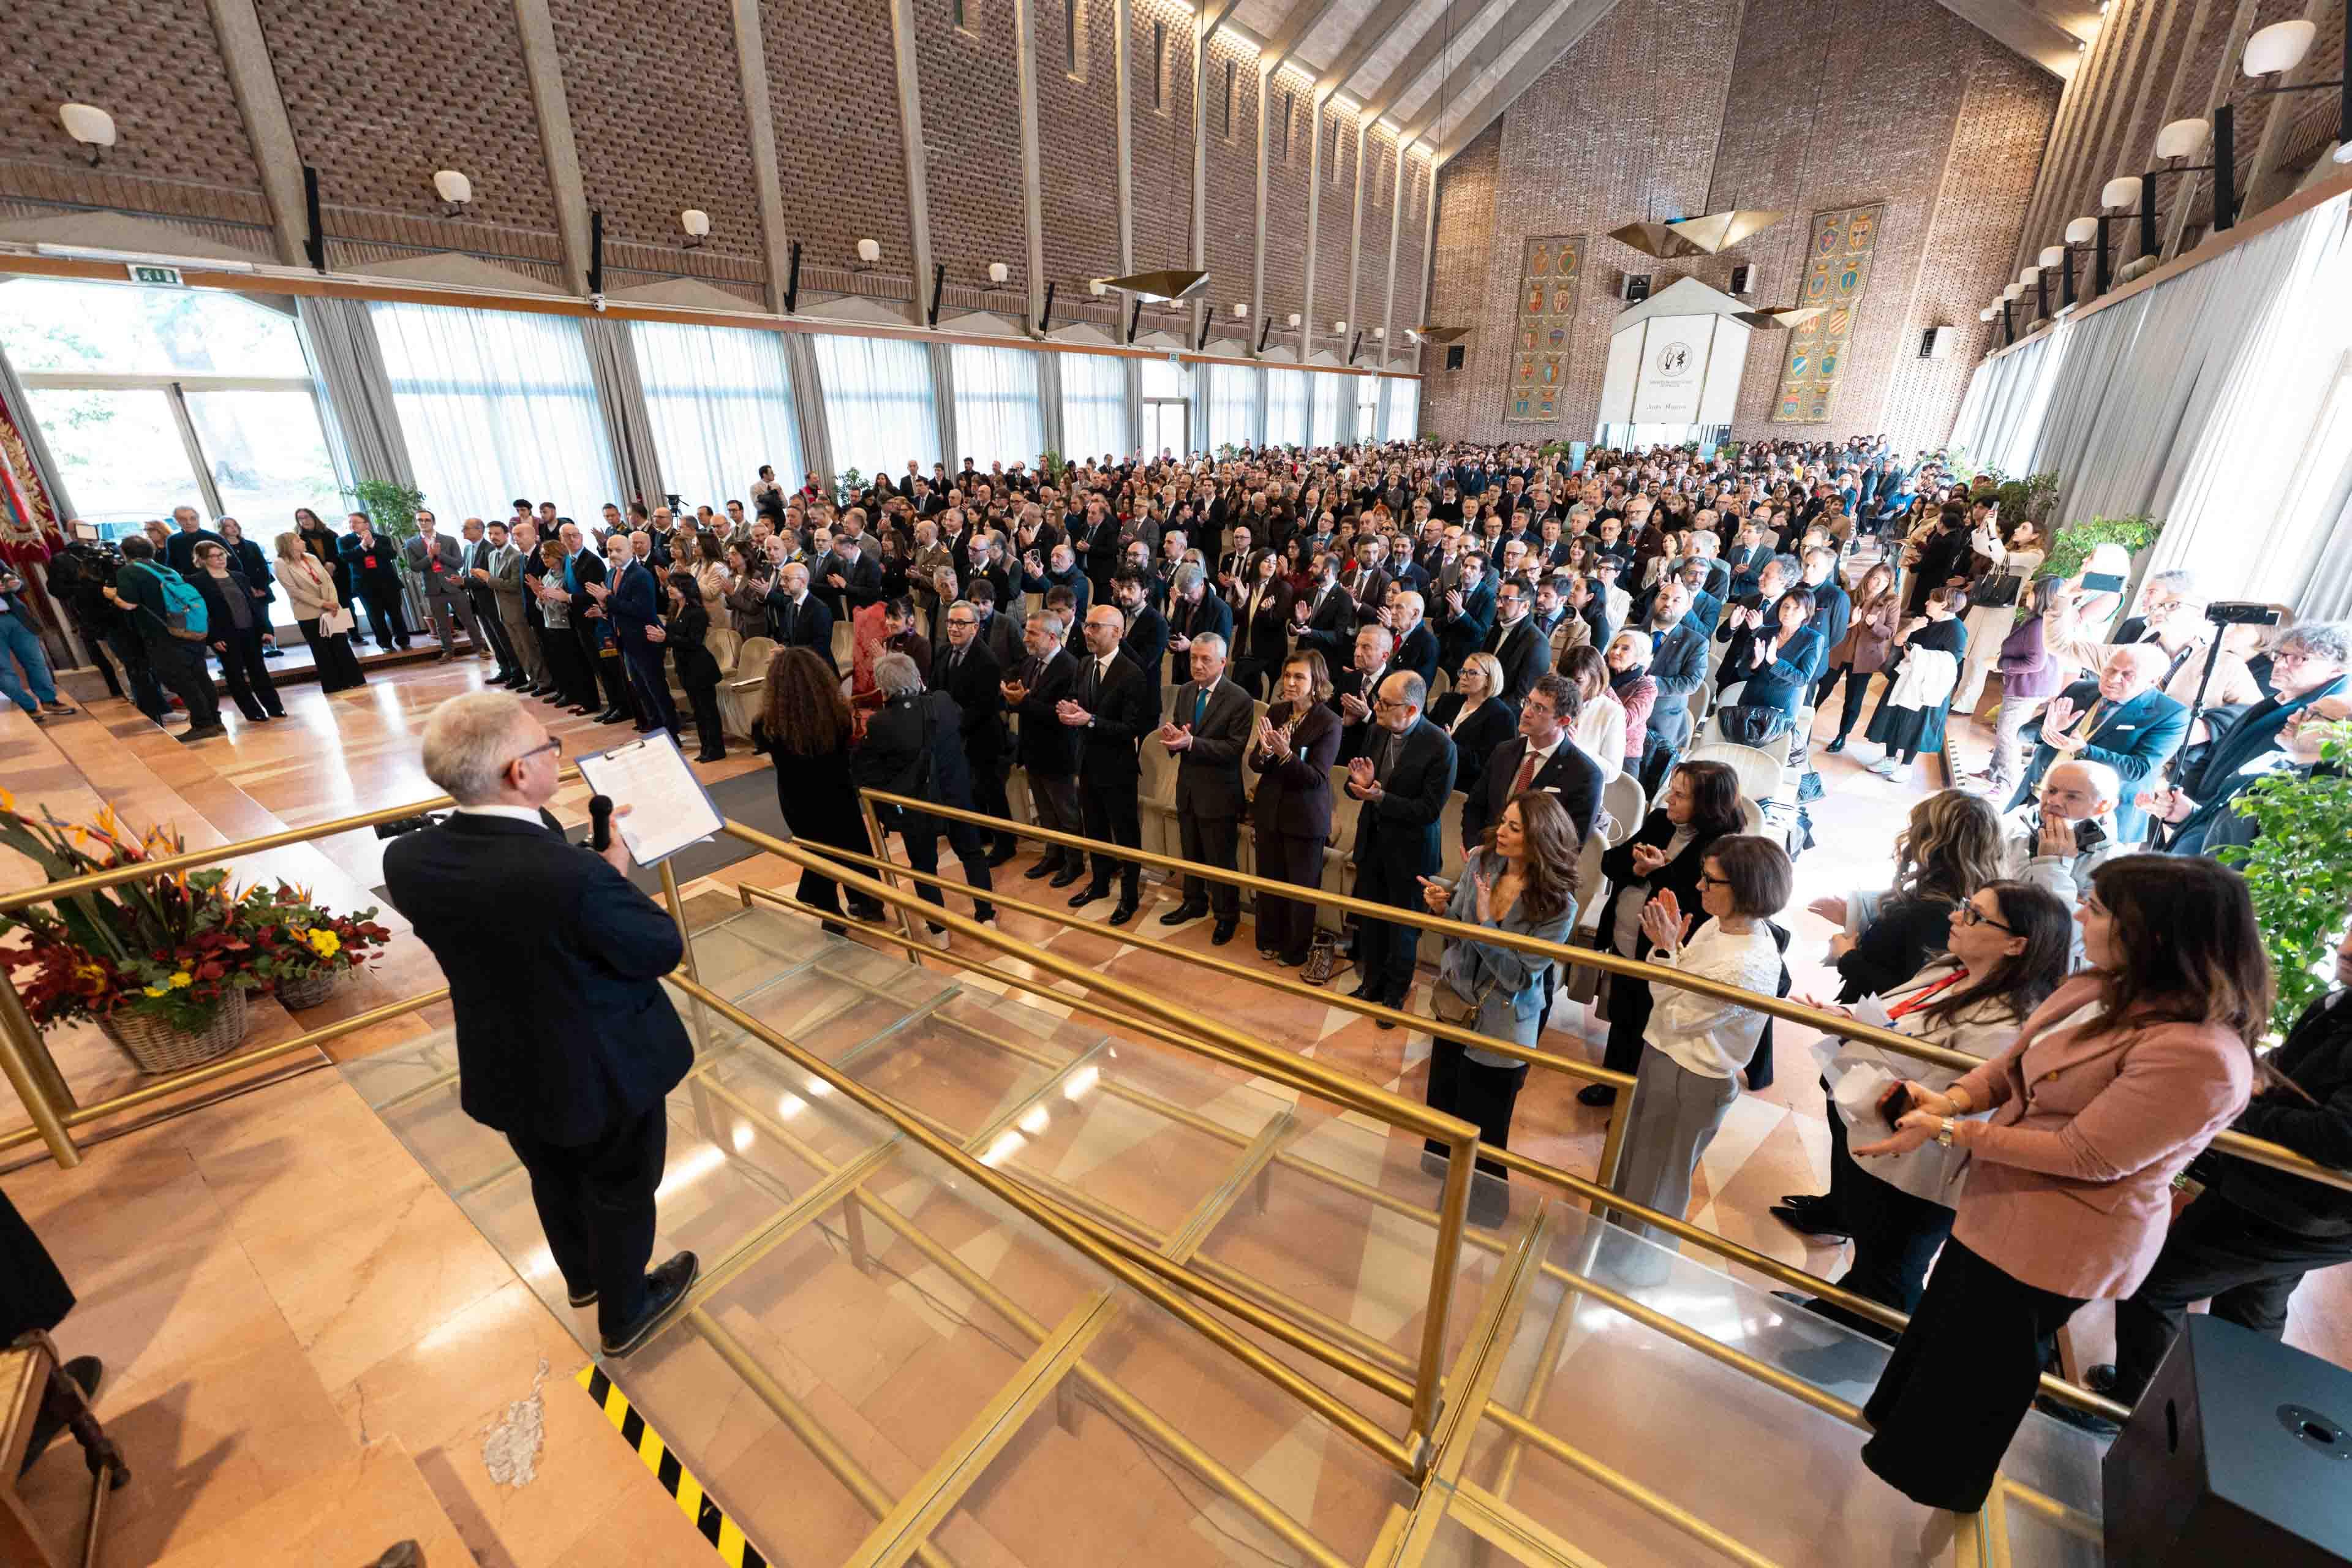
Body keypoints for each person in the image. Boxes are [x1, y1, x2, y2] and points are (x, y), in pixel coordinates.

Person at [1855, 855, 2268, 1513]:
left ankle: (1933, 1499)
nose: (2080, 913)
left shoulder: (2201, 1055)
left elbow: (2088, 1156)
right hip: (1998, 1205)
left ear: (2155, 933)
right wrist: (1954, 1099)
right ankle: (1900, 1470)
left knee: (1977, 1378)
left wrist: (1952, 1132)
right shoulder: (2098, 986)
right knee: (1941, 1344)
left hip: (2060, 1237)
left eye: (2099, 908)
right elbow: (2013, 1062)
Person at [384, 692, 700, 1357]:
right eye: (546, 747)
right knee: (620, 1188)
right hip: (600, 1065)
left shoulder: (409, 859)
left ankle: (583, 1277)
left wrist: (592, 869)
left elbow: (520, 905)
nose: (556, 754)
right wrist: (609, 877)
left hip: (506, 1059)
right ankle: (625, 1309)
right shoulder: (569, 878)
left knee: (551, 1173)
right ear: (517, 774)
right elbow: (656, 947)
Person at [1791, 881, 2073, 1328]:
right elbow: (1897, 1022)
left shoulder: (2010, 1021)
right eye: (1965, 906)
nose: (1955, 917)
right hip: (1872, 1128)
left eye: (1975, 915)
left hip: (1918, 1166)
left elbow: (1943, 1096)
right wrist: (1851, 1021)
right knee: (1872, 1255)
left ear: (2017, 944)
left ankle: (1867, 1352)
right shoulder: (1951, 970)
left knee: (1893, 1271)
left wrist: (1861, 1039)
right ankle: (1841, 1312)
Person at [2094, 922, 2352, 1408]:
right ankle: (2224, 1428)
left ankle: (2134, 1409)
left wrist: (2237, 1109)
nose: (2349, 947)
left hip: (2292, 1209)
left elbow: (2341, 1139)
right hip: (2289, 1205)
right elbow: (2290, 1072)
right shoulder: (2334, 1005)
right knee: (2252, 1310)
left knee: (2156, 1286)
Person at [1606, 835, 1793, 1256]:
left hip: (1691, 1074)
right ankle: (1613, 1242)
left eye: (1711, 881)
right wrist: (1672, 950)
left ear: (1744, 889)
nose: (1699, 888)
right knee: (1634, 1160)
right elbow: (1679, 984)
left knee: (1658, 1180)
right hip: (1667, 1054)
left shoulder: (1745, 963)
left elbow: (1677, 1012)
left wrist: (1665, 948)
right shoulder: (1721, 925)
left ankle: (1635, 1266)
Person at [1417, 790, 1581, 1223]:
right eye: (1504, 822)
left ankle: (1483, 1209)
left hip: (1503, 1021)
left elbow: (1519, 976)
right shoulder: (1483, 863)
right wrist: (1442, 908)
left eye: (1514, 827)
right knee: (1448, 1103)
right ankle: (1449, 1190)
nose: (1501, 832)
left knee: (1485, 1124)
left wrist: (1488, 924)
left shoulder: (1559, 904)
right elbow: (1459, 929)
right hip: (1457, 1002)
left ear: (1542, 838)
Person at [1578, 761, 1744, 1107]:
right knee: (1623, 1016)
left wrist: (1661, 871)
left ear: (1707, 805)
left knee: (1651, 1028)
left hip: (1667, 953)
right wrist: (1638, 868)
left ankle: (1638, 1103)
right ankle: (1613, 1084)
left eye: (1681, 795)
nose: (1670, 797)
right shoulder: (1660, 821)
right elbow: (1611, 862)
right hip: (1626, 939)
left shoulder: (1725, 849)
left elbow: (1697, 905)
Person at [2142, 622, 2350, 856]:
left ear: (2337, 670)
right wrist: (2190, 809)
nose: (2281, 663)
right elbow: (2215, 756)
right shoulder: (2276, 703)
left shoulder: (2320, 724)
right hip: (2200, 824)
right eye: (2280, 655)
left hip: (2225, 848)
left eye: (2299, 659)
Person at [855, 650, 998, 944]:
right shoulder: (943, 703)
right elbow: (956, 720)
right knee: (972, 855)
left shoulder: (880, 724)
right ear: (918, 678)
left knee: (924, 867)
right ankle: (986, 916)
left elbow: (869, 768)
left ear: (883, 689)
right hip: (956, 796)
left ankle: (939, 931)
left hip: (916, 806)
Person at [1345, 671, 1458, 1015]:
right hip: (1374, 842)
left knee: (1403, 929)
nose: (1375, 706)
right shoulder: (1377, 730)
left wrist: (1380, 796)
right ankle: (1371, 983)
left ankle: (1394, 995)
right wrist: (1364, 787)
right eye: (1378, 699)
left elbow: (1428, 809)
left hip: (1411, 852)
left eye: (1385, 702)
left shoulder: (1440, 746)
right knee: (1373, 921)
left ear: (1411, 710)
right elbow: (1367, 784)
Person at [750, 647, 885, 929]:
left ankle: (831, 914)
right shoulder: (837, 714)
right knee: (854, 847)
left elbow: (762, 745)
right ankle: (869, 902)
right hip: (838, 793)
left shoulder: (766, 724)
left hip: (798, 801)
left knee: (818, 853)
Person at [2008, 642, 2188, 842]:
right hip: (2040, 800)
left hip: (2097, 820)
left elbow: (2137, 769)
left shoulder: (2171, 714)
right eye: (2110, 669)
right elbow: (2022, 734)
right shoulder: (2079, 690)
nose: (2112, 678)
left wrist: (2084, 750)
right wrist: (2047, 732)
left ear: (2153, 680)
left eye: (2127, 675)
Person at [1155, 631, 1254, 943]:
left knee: (1221, 858)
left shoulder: (1239, 698)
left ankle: (1226, 915)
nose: (1197, 665)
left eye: (1205, 660)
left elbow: (1234, 749)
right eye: (1193, 658)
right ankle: (1194, 902)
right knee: (1191, 852)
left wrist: (1192, 743)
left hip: (1219, 792)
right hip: (1187, 787)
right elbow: (1181, 736)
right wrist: (1174, 740)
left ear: (1223, 662)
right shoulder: (1186, 691)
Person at [1249, 651, 1344, 967]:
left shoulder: (1328, 722)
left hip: (1304, 817)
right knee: (1269, 881)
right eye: (1287, 676)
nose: (1290, 682)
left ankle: (1294, 950)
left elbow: (1316, 778)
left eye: (1299, 677)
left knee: (1299, 889)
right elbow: (1255, 763)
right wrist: (1264, 752)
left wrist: (1287, 754)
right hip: (1270, 812)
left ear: (1316, 682)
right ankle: (1270, 939)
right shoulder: (1276, 712)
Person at [1063, 603, 1157, 924]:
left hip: (1118, 768)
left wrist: (1089, 721)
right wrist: (1073, 711)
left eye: (1095, 627)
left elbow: (1132, 729)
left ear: (1117, 633)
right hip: (1088, 762)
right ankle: (1100, 882)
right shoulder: (1084, 665)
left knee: (1126, 835)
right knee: (1095, 829)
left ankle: (1129, 897)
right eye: (1087, 625)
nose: (1087, 632)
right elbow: (1085, 708)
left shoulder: (1132, 673)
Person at [1461, 671, 1602, 850]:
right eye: (1528, 702)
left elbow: (1572, 842)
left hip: (1533, 869)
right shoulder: (1503, 751)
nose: (1526, 713)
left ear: (1563, 720)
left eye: (1539, 708)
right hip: (1484, 856)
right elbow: (1475, 806)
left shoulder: (1585, 774)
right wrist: (1474, 849)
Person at [107, 535, 225, 741]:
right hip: (188, 631)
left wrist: (111, 595)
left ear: (125, 553)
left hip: (163, 636)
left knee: (182, 681)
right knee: (200, 677)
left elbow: (129, 604)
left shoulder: (129, 572)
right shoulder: (165, 569)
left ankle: (203, 724)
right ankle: (215, 721)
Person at [1006, 609, 1087, 887]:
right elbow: (1021, 697)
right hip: (1032, 749)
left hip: (1058, 752)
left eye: (1032, 633)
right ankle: (1053, 854)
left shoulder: (1070, 667)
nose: (1025, 638)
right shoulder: (1030, 663)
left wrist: (1022, 702)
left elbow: (1063, 714)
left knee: (1066, 812)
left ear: (1052, 637)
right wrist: (1013, 696)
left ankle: (1074, 862)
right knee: (1044, 809)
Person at [934, 598, 1014, 864]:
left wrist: (953, 728)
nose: (954, 628)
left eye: (961, 623)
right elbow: (937, 691)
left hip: (982, 736)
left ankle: (1006, 844)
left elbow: (984, 705)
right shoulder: (945, 653)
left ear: (975, 627)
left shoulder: (986, 659)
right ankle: (981, 835)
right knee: (970, 790)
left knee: (992, 792)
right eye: (950, 622)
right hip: (956, 736)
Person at [1863, 587, 1969, 780]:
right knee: (1895, 715)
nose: (1927, 603)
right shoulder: (1925, 621)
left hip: (1928, 683)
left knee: (1916, 722)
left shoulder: (1956, 629)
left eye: (1932, 601)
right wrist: (1911, 628)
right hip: (1906, 675)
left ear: (1944, 605)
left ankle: (1906, 765)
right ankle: (1889, 759)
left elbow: (1953, 660)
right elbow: (1899, 642)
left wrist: (1918, 655)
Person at [1428, 650, 1518, 803]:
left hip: (1464, 789)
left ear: (1489, 680)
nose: (1463, 677)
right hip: (1430, 775)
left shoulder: (1501, 716)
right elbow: (1427, 734)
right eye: (1463, 672)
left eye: (1472, 673)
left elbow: (1486, 766)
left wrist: (1450, 746)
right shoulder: (1448, 701)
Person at [658, 570, 728, 762]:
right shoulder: (674, 608)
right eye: (669, 585)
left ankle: (716, 749)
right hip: (685, 666)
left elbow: (693, 642)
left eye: (673, 586)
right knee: (698, 710)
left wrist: (666, 637)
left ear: (685, 588)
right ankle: (706, 747)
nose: (669, 589)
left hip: (700, 667)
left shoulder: (697, 612)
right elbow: (673, 637)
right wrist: (662, 637)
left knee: (708, 711)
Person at [402, 511, 488, 663]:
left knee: (468, 620)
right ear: (417, 523)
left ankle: (480, 648)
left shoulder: (449, 540)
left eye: (427, 520)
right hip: (433, 589)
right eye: (420, 520)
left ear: (433, 522)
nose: (424, 523)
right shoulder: (411, 544)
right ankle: (448, 652)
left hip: (454, 585)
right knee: (441, 624)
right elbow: (414, 567)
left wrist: (439, 554)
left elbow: (459, 563)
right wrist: (429, 557)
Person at [0, 563, 77, 723]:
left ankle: (49, 700)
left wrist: (15, 584)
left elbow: (22, 584)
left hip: (16, 616)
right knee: (3, 670)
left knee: (36, 661)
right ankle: (27, 706)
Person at [462, 518, 527, 688]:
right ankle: (505, 670)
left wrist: (469, 581)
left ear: (507, 535)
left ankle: (517, 672)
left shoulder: (507, 553)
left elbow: (491, 580)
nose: (493, 537)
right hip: (479, 602)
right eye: (491, 534)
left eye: (496, 534)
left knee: (506, 640)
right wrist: (463, 581)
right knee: (494, 640)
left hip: (496, 602)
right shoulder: (479, 551)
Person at [1231, 549, 1293, 698]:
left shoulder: (1283, 589)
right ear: (1257, 563)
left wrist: (1266, 612)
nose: (1271, 565)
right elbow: (1234, 620)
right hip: (1243, 655)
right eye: (1267, 561)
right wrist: (1241, 602)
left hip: (1267, 659)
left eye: (1274, 562)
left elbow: (1277, 625)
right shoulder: (1245, 586)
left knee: (1260, 705)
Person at [1561, 644, 1626, 784]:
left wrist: (1576, 748)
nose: (1569, 687)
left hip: (1580, 790)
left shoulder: (1613, 712)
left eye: (1578, 681)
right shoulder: (1552, 698)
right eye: (1565, 680)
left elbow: (1612, 773)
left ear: (1596, 678)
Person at [1602, 630, 1657, 777]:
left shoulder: (1647, 687)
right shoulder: (1602, 675)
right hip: (1594, 745)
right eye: (1615, 647)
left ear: (1640, 656)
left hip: (1624, 756)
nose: (1616, 652)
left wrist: (1604, 685)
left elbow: (1626, 720)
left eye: (1625, 649)